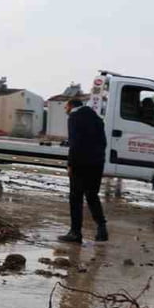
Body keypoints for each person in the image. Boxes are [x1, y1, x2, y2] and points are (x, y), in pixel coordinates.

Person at [59, 97, 108, 243]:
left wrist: (70, 164)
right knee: (92, 196)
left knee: (76, 198)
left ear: (71, 106)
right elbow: (103, 143)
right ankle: (102, 229)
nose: (65, 110)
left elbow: (75, 143)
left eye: (65, 107)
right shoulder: (97, 118)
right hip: (97, 163)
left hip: (80, 163)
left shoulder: (74, 118)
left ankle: (75, 233)